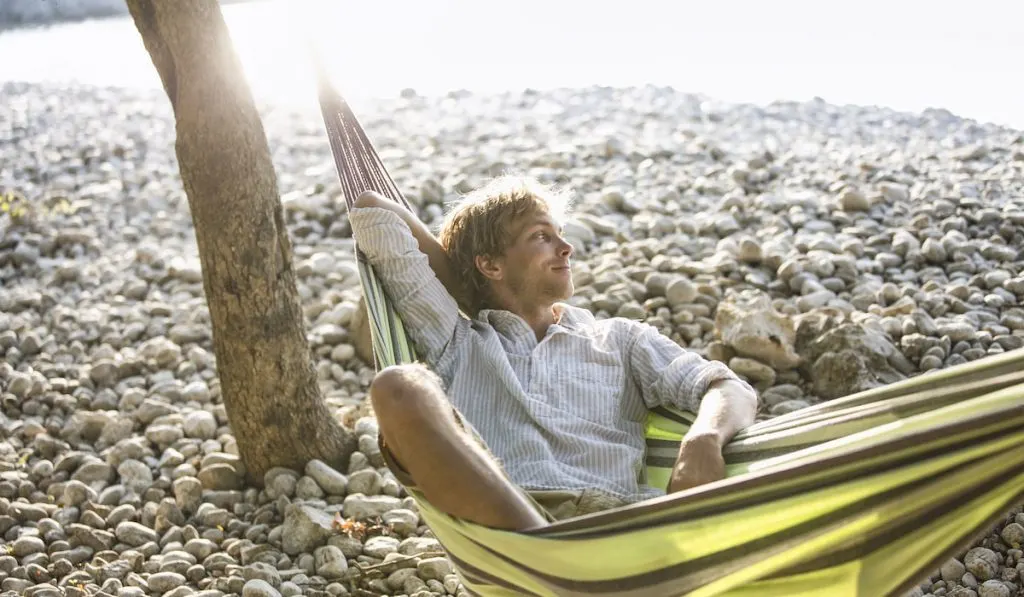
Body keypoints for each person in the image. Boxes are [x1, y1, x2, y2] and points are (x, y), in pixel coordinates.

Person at [348, 175, 758, 531]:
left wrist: (703, 438)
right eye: (542, 236)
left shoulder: (620, 339)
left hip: (621, 521)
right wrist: (466, 287)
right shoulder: (456, 340)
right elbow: (373, 211)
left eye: (559, 234)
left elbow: (727, 387)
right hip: (507, 522)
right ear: (490, 265)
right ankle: (545, 553)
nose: (566, 248)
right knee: (398, 385)